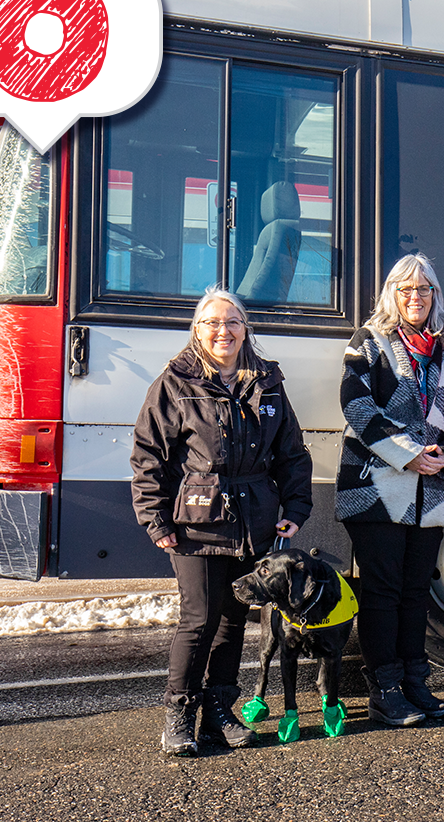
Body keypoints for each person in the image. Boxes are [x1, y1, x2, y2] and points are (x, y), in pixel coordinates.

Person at [131, 287, 313, 757]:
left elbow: (292, 453)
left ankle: (218, 711)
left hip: (254, 517)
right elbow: (149, 455)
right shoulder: (174, 382)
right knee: (199, 619)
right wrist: (155, 518)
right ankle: (178, 716)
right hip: (197, 521)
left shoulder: (268, 382)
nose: (222, 331)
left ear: (245, 328)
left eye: (231, 321)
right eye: (212, 322)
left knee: (234, 620)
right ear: (197, 330)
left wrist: (294, 510)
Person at [337, 253, 444, 726]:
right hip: (375, 489)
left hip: (433, 490)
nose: (415, 297)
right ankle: (385, 689)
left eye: (424, 289)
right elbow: (355, 406)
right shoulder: (369, 343)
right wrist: (407, 453)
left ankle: (416, 683)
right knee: (382, 591)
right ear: (391, 295)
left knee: (416, 591)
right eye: (405, 289)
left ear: (435, 295)